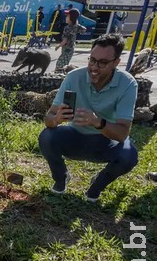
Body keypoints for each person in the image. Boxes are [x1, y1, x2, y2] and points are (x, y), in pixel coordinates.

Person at [40, 34, 139, 202]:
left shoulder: (128, 84)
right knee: (46, 137)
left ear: (116, 62)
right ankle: (61, 177)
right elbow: (48, 117)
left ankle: (96, 187)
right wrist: (56, 119)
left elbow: (122, 134)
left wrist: (97, 122)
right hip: (74, 136)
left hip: (106, 141)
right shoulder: (74, 77)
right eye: (92, 60)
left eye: (102, 63)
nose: (94, 67)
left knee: (129, 156)